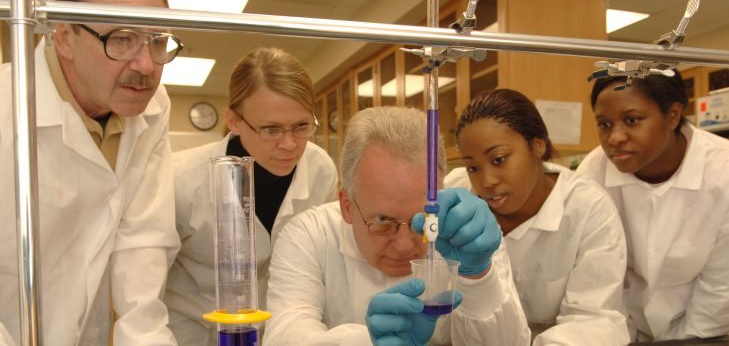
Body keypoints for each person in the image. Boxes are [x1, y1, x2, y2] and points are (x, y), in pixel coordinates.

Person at [0, 0, 183, 345]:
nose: (146, 66)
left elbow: (143, 243)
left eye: (157, 40)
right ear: (65, 35)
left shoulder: (154, 107)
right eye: (122, 39)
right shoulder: (7, 110)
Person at [264, 106, 531, 346]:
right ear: (346, 205)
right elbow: (285, 335)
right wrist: (366, 341)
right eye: (382, 221)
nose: (405, 246)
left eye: (424, 222)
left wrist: (478, 278)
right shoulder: (312, 234)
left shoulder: (464, 231)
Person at [577, 70, 729, 341]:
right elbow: (598, 277)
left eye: (632, 120)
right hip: (618, 332)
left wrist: (685, 340)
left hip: (704, 333)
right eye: (604, 124)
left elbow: (725, 287)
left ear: (672, 115)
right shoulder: (592, 174)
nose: (615, 137)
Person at [164, 47, 338, 345]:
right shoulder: (179, 179)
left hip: (283, 332)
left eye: (301, 126)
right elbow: (145, 284)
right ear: (233, 120)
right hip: (194, 334)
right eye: (270, 129)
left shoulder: (320, 168)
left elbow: (322, 263)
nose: (289, 144)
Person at [444, 89, 630, 345]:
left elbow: (592, 321)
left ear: (537, 145)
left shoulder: (587, 208)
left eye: (499, 159)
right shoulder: (460, 198)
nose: (486, 181)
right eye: (473, 167)